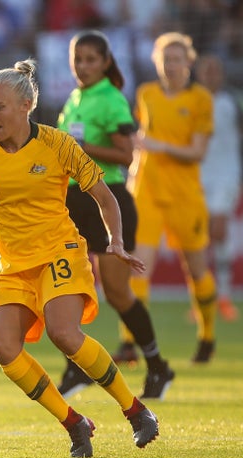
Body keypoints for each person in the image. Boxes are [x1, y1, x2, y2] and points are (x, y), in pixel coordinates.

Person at [0, 59, 159, 458]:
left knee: (64, 333)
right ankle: (75, 423)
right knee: (2, 344)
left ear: (26, 104)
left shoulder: (58, 144)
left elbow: (104, 195)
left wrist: (115, 241)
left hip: (60, 251)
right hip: (14, 264)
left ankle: (136, 411)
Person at [56, 30, 174, 400]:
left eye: (91, 59)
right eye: (79, 60)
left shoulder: (111, 99)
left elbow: (127, 155)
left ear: (106, 62)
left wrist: (82, 147)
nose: (84, 66)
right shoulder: (75, 98)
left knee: (118, 293)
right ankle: (77, 367)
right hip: (76, 202)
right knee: (71, 285)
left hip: (109, 199)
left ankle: (158, 366)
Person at [122, 32, 217, 363]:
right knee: (138, 270)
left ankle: (206, 336)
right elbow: (142, 141)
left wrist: (161, 146)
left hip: (184, 195)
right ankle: (129, 343)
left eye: (177, 59)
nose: (171, 66)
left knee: (196, 270)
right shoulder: (146, 94)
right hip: (146, 190)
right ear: (156, 63)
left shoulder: (201, 100)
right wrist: (134, 169)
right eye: (165, 60)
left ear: (188, 63)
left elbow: (198, 152)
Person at [196, 54, 241, 322]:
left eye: (216, 71)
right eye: (207, 71)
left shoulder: (233, 101)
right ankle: (203, 296)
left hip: (227, 173)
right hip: (199, 175)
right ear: (200, 75)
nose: (212, 75)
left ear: (222, 74)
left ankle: (223, 293)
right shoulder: (193, 102)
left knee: (219, 228)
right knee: (199, 236)